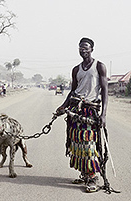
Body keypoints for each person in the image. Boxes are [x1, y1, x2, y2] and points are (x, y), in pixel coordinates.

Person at [56, 37, 108, 193]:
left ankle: (93, 178)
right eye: (80, 47)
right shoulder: (76, 69)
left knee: (90, 144)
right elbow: (73, 91)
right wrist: (63, 106)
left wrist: (103, 115)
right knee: (77, 144)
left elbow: (105, 91)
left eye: (85, 47)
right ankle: (85, 173)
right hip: (75, 110)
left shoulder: (100, 66)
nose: (82, 50)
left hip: (90, 111)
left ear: (92, 49)